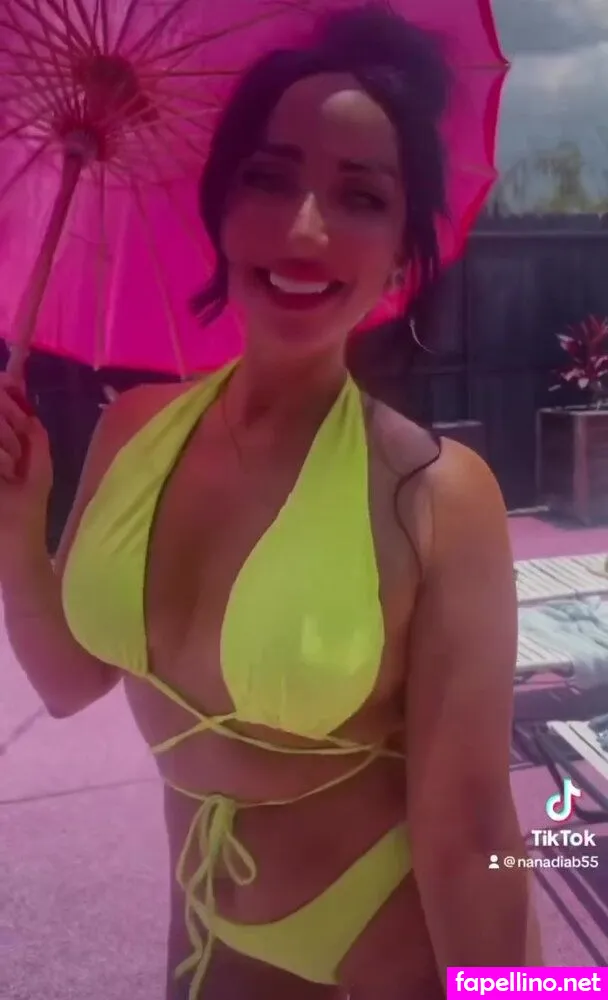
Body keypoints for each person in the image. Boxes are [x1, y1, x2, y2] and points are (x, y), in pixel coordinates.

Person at [0, 5, 541, 999]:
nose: (303, 228)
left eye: (361, 196)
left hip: (378, 937)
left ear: (401, 254)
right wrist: (14, 525)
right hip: (201, 923)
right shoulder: (133, 430)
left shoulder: (435, 496)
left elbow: (470, 834)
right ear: (219, 207)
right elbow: (71, 679)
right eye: (268, 177)